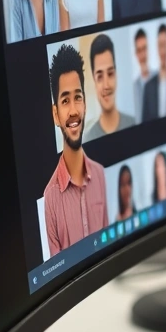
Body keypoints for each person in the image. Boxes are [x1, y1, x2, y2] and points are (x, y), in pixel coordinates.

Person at [43, 44, 107, 258]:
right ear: (55, 114)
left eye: (78, 98)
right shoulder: (50, 196)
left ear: (85, 103)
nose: (73, 111)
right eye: (65, 100)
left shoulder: (100, 174)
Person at [83, 34, 135, 142]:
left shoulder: (133, 124)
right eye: (100, 76)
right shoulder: (88, 140)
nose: (106, 85)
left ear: (116, 75)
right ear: (94, 80)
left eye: (110, 74)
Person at [133, 28, 151, 124]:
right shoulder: (134, 88)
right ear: (136, 54)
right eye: (139, 50)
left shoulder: (160, 79)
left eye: (144, 49)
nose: (143, 55)